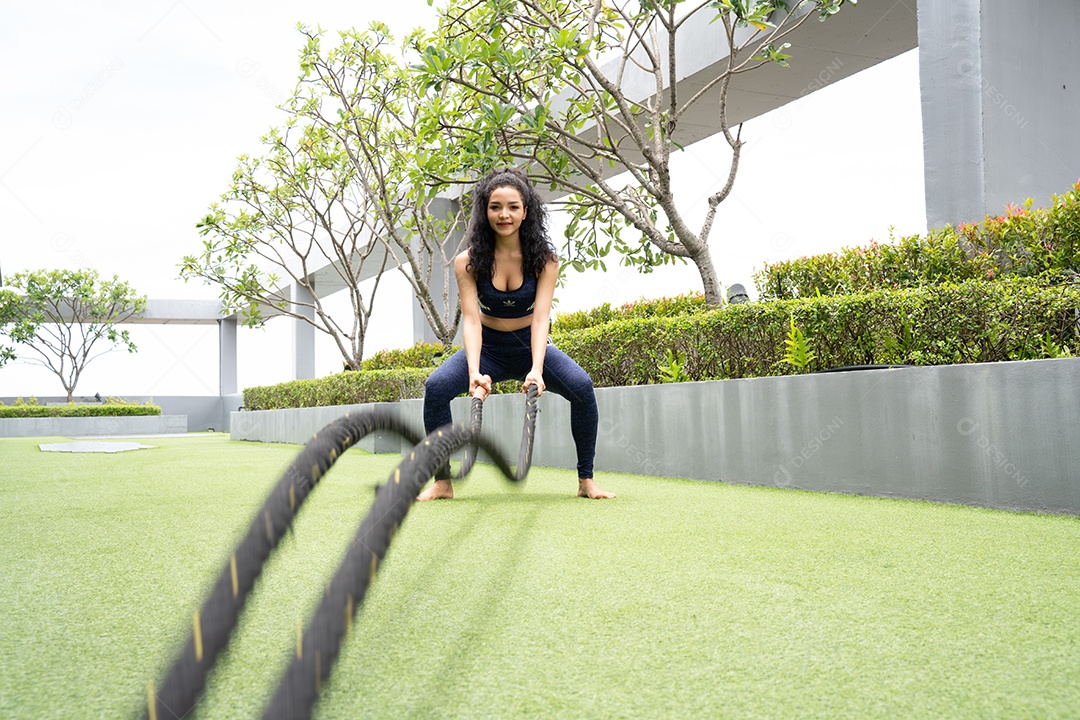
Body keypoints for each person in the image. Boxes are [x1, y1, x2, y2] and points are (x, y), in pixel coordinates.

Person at [417, 168, 615, 500]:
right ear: (485, 211)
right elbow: (471, 321)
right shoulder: (468, 261)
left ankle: (586, 480)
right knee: (436, 387)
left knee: (582, 386)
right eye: (495, 207)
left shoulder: (545, 260)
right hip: (489, 347)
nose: (504, 215)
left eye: (513, 206)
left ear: (526, 211)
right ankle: (442, 482)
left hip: (529, 345)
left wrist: (537, 368)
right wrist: (474, 372)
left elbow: (541, 319)